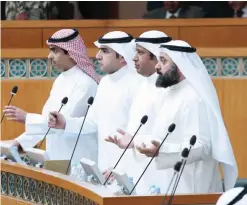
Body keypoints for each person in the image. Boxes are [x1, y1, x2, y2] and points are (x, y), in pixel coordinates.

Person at [107, 40, 238, 194]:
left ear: (180, 65)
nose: (157, 66)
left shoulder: (194, 98)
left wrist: (162, 150)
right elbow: (162, 137)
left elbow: (202, 147)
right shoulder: (170, 94)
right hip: (169, 182)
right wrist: (134, 141)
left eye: (163, 61)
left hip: (192, 187)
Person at [48, 31, 141, 176]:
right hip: (104, 167)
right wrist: (65, 123)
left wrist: (121, 170)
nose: (97, 56)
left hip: (129, 170)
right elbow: (92, 123)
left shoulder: (137, 85)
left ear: (122, 55)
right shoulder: (104, 83)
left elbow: (137, 136)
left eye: (105, 51)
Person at [2, 29, 99, 163]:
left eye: (54, 50)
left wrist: (27, 118)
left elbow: (58, 122)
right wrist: (18, 143)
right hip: (55, 156)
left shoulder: (86, 83)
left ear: (70, 53)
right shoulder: (60, 79)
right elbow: (46, 123)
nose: (49, 56)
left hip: (75, 159)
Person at [106, 30, 172, 194]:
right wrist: (118, 169)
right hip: (136, 171)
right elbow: (131, 135)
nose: (134, 57)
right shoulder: (142, 85)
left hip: (158, 173)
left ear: (156, 57)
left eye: (140, 52)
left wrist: (135, 141)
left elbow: (163, 137)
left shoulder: (167, 90)